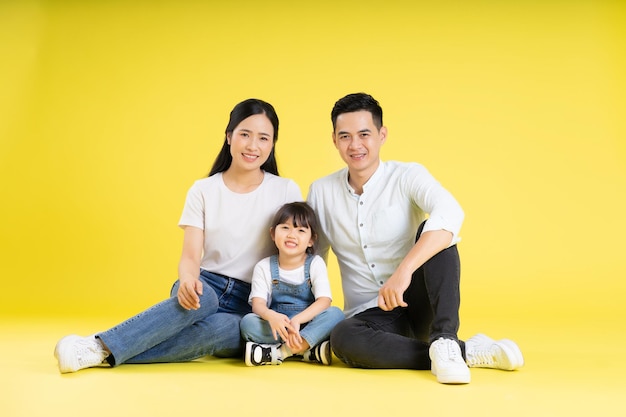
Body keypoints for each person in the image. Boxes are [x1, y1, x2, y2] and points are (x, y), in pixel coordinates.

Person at [54, 98, 303, 373]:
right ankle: (98, 348)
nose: (253, 146)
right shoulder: (203, 190)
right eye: (245, 134)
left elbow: (294, 256)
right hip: (205, 286)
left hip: (252, 303)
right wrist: (187, 279)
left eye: (263, 138)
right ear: (229, 136)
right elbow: (190, 256)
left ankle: (99, 349)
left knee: (227, 328)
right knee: (202, 299)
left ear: (272, 144)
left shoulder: (285, 191)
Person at [307, 92, 524, 384]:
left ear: (382, 135)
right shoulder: (321, 191)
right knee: (343, 338)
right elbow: (313, 263)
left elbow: (451, 212)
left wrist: (403, 271)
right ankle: (463, 351)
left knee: (437, 232)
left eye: (364, 134)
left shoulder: (407, 175)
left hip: (418, 305)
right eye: (345, 136)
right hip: (370, 319)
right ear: (334, 139)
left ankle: (445, 337)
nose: (355, 145)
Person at [240, 202, 344, 366]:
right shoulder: (264, 266)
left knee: (336, 314)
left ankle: (281, 353)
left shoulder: (315, 263)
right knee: (248, 322)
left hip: (306, 323)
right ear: (273, 233)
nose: (291, 235)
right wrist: (272, 317)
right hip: (278, 326)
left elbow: (324, 301)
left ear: (311, 240)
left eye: (301, 230)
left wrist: (297, 320)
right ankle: (307, 349)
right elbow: (258, 305)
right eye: (285, 228)